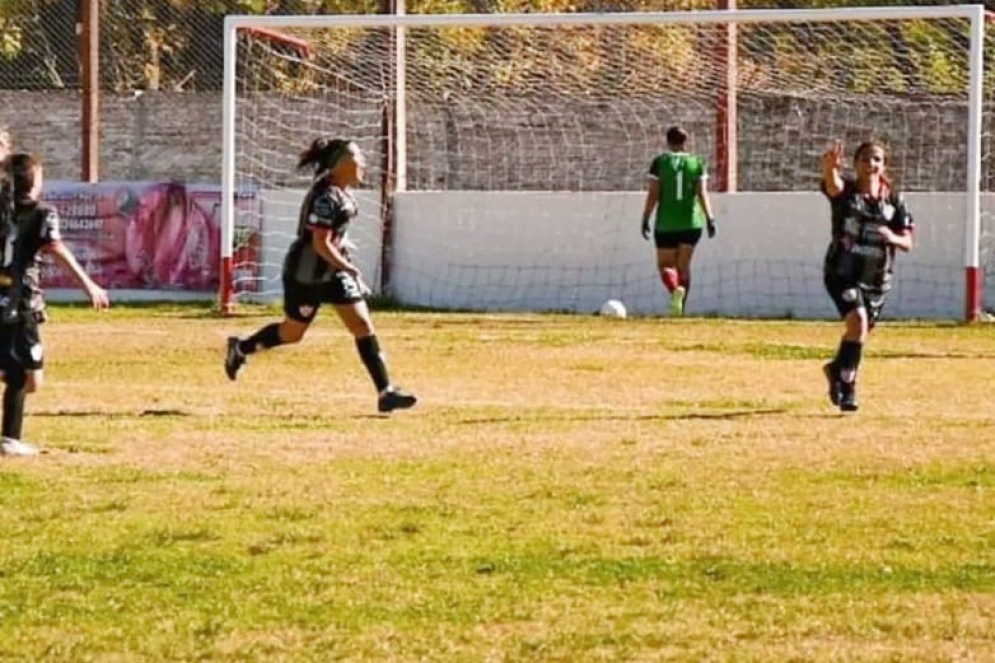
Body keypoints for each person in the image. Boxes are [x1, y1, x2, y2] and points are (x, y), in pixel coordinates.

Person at [224, 138, 417, 414]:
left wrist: (346, 267)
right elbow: (320, 244)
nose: (362, 163)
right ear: (339, 164)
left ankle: (386, 392)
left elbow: (335, 241)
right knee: (292, 333)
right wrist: (349, 268)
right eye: (357, 158)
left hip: (333, 272)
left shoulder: (344, 194)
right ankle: (241, 348)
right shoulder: (325, 198)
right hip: (306, 275)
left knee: (362, 325)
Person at [0, 153, 110, 456]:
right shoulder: (42, 212)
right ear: (34, 183)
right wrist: (89, 285)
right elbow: (56, 247)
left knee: (25, 376)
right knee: (25, 376)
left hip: (9, 301)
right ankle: (10, 439)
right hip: (20, 302)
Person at [820, 140, 914, 412]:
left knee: (859, 331)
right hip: (842, 271)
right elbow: (833, 187)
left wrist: (892, 237)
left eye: (876, 160)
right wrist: (829, 169)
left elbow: (908, 242)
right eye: (865, 159)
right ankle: (848, 386)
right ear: (856, 164)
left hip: (876, 277)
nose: (871, 165)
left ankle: (836, 368)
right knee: (858, 322)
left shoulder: (894, 200)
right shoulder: (847, 192)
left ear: (884, 165)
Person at [641, 126, 717, 316]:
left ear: (668, 141)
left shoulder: (660, 162)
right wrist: (710, 218)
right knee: (683, 266)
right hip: (692, 223)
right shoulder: (697, 162)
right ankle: (681, 309)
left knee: (665, 265)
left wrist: (645, 218)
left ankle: (675, 291)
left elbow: (654, 194)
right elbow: (702, 193)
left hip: (667, 224)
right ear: (685, 141)